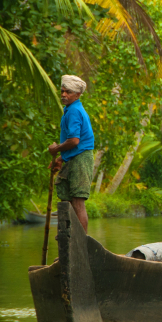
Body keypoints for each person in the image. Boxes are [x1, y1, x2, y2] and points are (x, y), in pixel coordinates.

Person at [48, 75, 95, 233]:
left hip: (81, 160)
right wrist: (61, 159)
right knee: (66, 198)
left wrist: (56, 149)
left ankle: (80, 243)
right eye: (62, 91)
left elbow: (74, 141)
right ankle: (68, 239)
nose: (63, 95)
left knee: (77, 201)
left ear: (77, 94)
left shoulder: (74, 111)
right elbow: (75, 144)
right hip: (74, 158)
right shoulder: (70, 110)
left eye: (68, 92)